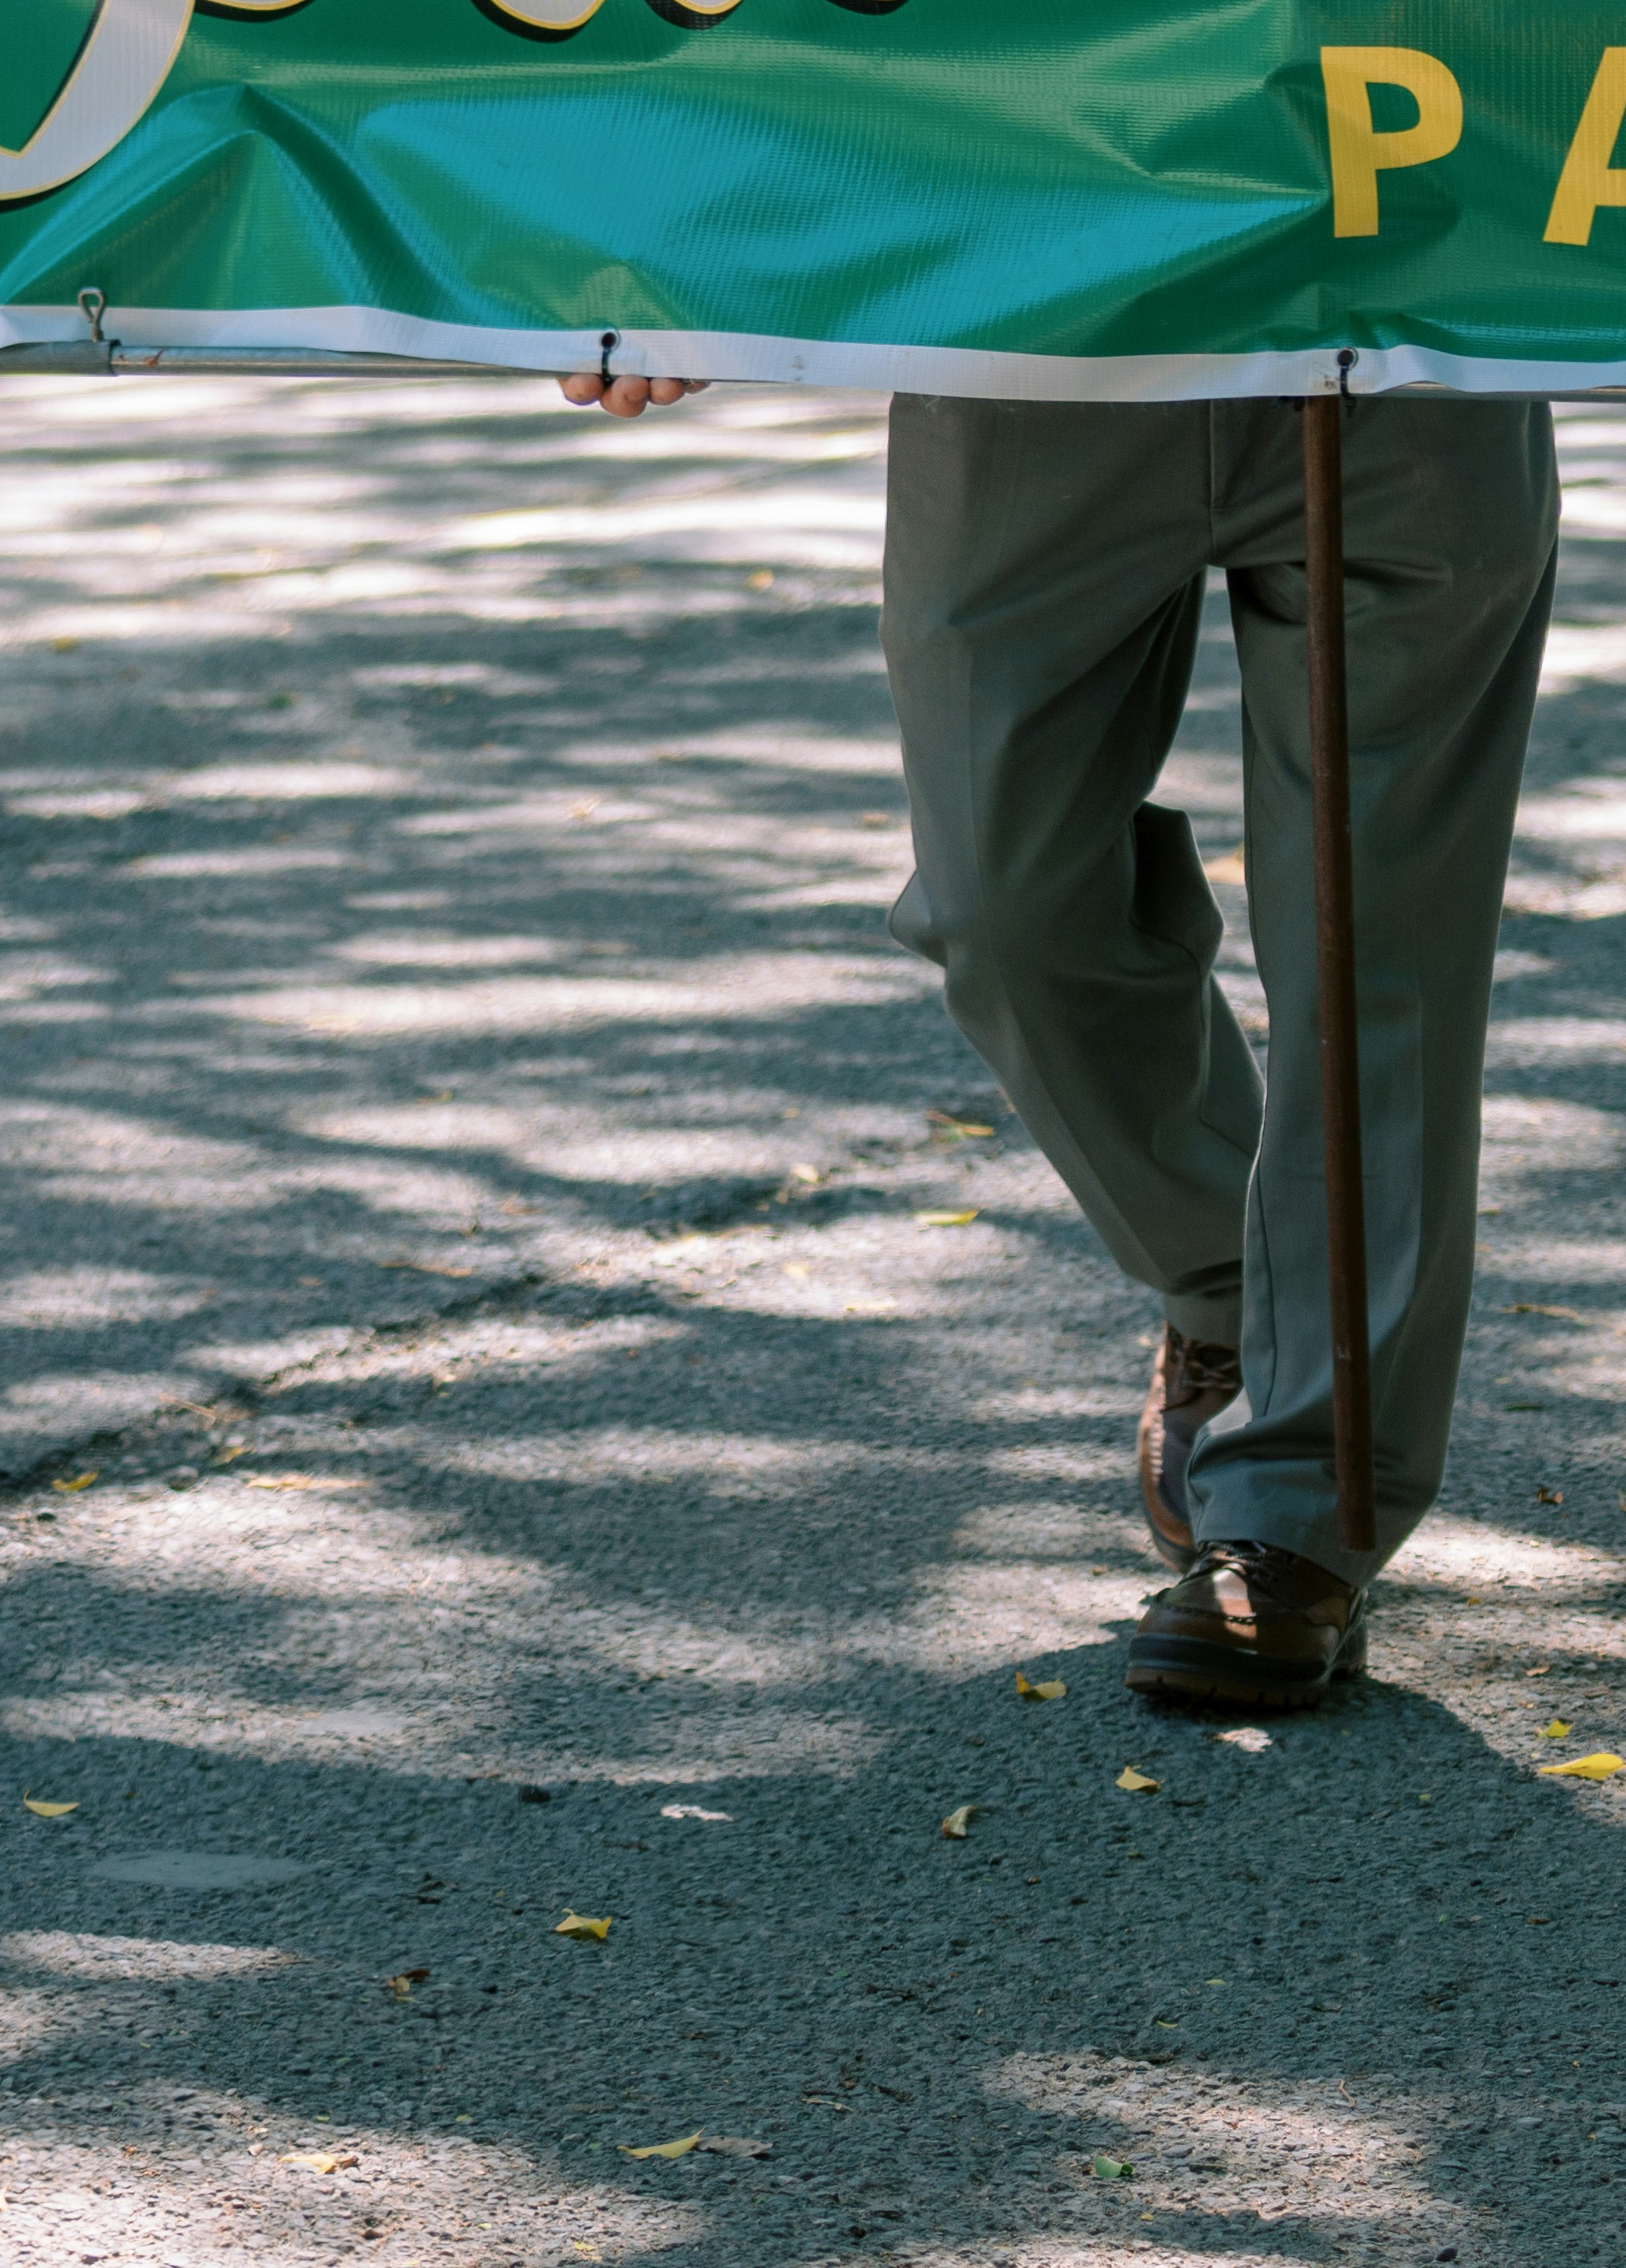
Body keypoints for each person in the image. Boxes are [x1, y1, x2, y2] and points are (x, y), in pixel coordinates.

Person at [578, 364, 1556, 1718]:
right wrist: (643, 249)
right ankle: (1227, 1271)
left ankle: (1300, 1518)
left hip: (1400, 339)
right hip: (1034, 336)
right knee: (1003, 906)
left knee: (1379, 946)